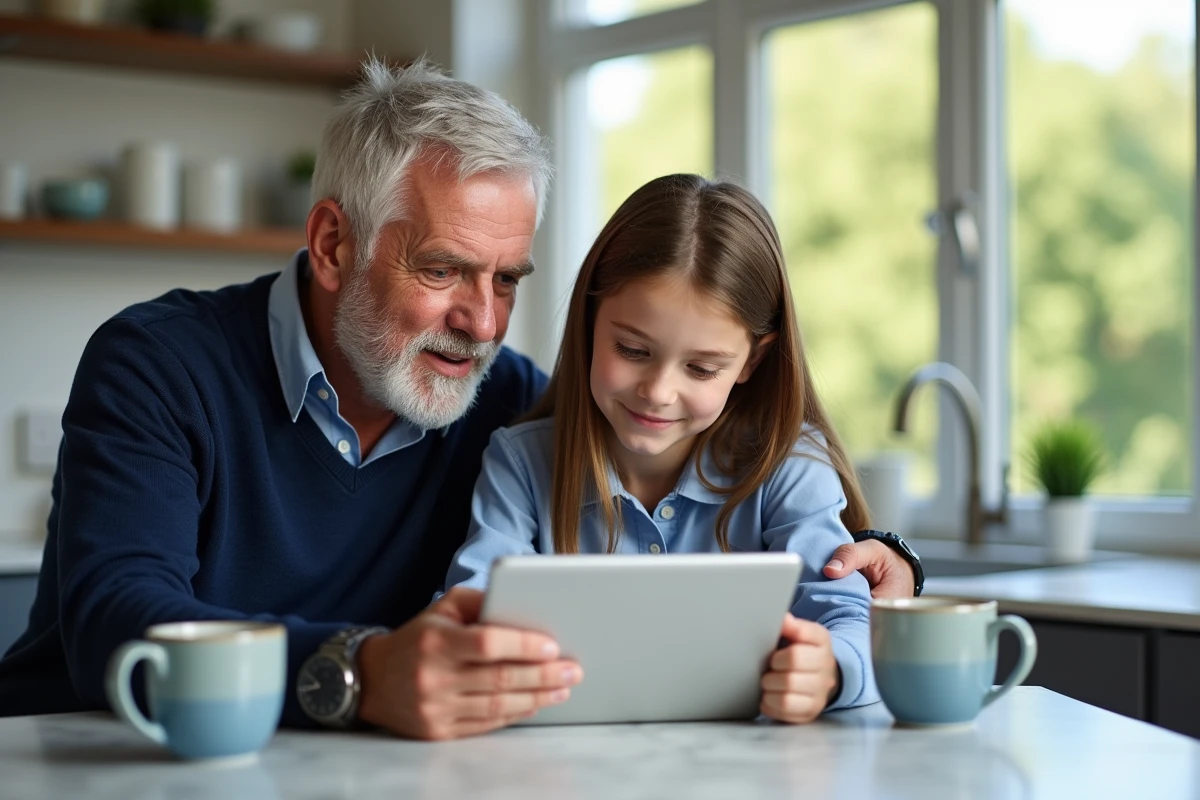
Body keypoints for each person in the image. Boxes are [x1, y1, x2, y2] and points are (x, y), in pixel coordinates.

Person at [0, 58, 917, 740]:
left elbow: (655, 477)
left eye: (507, 279)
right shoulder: (158, 365)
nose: (482, 323)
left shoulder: (503, 402)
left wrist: (872, 556)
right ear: (331, 245)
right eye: (442, 269)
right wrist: (357, 670)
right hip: (88, 760)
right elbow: (118, 618)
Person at [445, 174, 879, 722]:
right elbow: (469, 607)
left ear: (752, 361)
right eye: (632, 349)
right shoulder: (520, 462)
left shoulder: (788, 467)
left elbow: (847, 615)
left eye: (701, 368)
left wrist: (832, 669)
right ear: (589, 322)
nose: (658, 391)